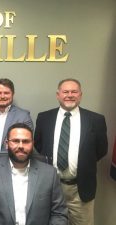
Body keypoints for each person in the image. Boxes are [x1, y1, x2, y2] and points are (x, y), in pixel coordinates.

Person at [34, 78, 108, 225]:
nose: (70, 95)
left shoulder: (96, 120)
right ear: (58, 95)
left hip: (80, 189)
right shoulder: (44, 118)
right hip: (51, 186)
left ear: (80, 95)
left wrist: (84, 162)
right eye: (65, 91)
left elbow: (101, 150)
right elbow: (39, 145)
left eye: (74, 91)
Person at [0, 123, 68, 225]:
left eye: (26, 141)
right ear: (7, 144)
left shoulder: (50, 174)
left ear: (32, 144)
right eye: (15, 141)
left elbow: (59, 214)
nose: (21, 146)